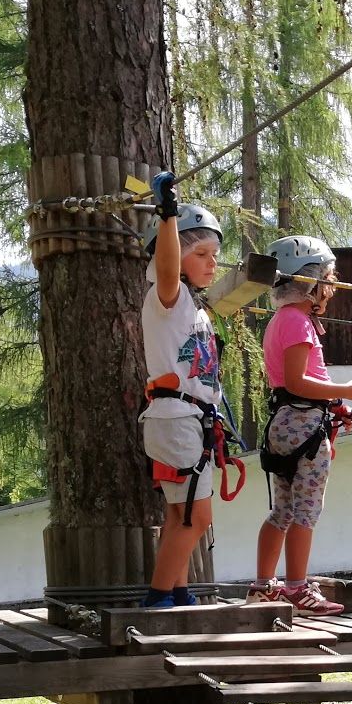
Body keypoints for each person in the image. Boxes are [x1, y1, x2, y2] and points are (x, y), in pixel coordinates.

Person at [247, 235, 352, 614]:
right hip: (304, 427)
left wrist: (334, 403)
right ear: (308, 282)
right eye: (328, 280)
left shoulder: (281, 321)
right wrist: (344, 389)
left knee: (282, 512)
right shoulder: (299, 323)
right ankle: (297, 588)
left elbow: (292, 384)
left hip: (286, 423)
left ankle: (264, 586)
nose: (331, 290)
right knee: (305, 512)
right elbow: (299, 381)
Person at [138, 170, 224, 609]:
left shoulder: (193, 307)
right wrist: (168, 214)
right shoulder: (165, 297)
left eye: (215, 254)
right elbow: (168, 265)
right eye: (203, 253)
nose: (212, 263)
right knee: (197, 515)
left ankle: (175, 589)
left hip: (187, 420)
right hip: (177, 420)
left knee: (181, 513)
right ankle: (158, 599)